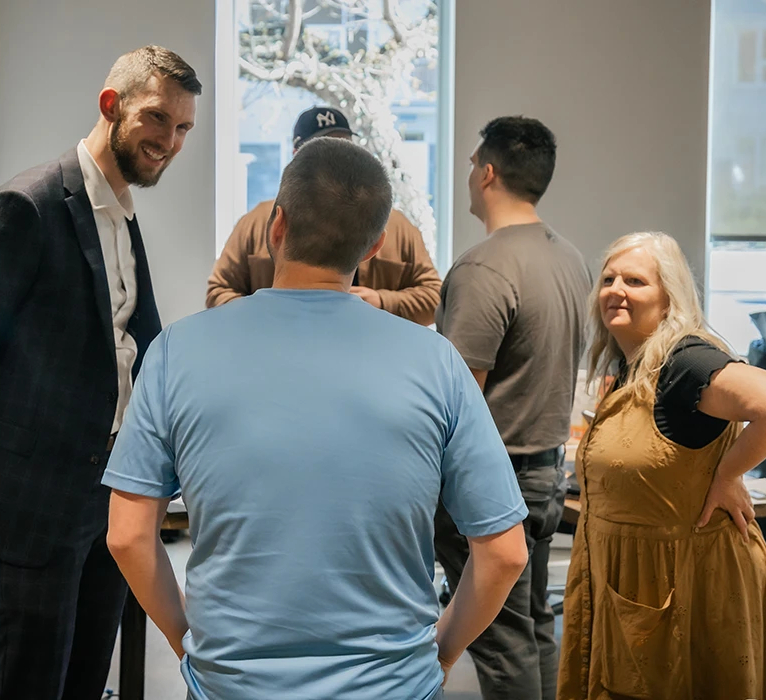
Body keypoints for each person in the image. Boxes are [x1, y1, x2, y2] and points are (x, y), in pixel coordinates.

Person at [103, 137, 529, 699]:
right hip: (394, 687)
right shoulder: (437, 363)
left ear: (276, 226)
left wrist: (190, 646)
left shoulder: (176, 352)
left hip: (232, 687)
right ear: (374, 245)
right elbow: (504, 553)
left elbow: (128, 536)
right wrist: (442, 653)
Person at [0, 46, 201, 700]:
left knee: (84, 683)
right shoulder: (24, 208)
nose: (170, 141)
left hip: (108, 497)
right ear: (111, 105)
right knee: (28, 687)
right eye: (158, 118)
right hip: (30, 504)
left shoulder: (122, 213)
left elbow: (126, 348)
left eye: (184, 127)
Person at [558, 232, 766, 699]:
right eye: (608, 279)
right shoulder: (634, 366)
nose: (615, 290)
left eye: (634, 281)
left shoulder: (684, 363)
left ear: (669, 297)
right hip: (631, 579)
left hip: (683, 585)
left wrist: (728, 473)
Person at [434, 115, 591, 700]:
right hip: (547, 472)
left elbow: (459, 398)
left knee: (500, 640)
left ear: (488, 172)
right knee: (533, 622)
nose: (469, 175)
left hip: (493, 480)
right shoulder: (570, 258)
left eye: (472, 164)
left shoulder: (484, 267)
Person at [206, 106, 442, 325]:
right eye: (319, 150)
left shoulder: (395, 226)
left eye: (343, 146)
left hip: (367, 349)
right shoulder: (257, 223)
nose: (333, 159)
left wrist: (381, 302)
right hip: (278, 350)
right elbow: (218, 291)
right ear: (296, 157)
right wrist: (268, 313)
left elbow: (435, 296)